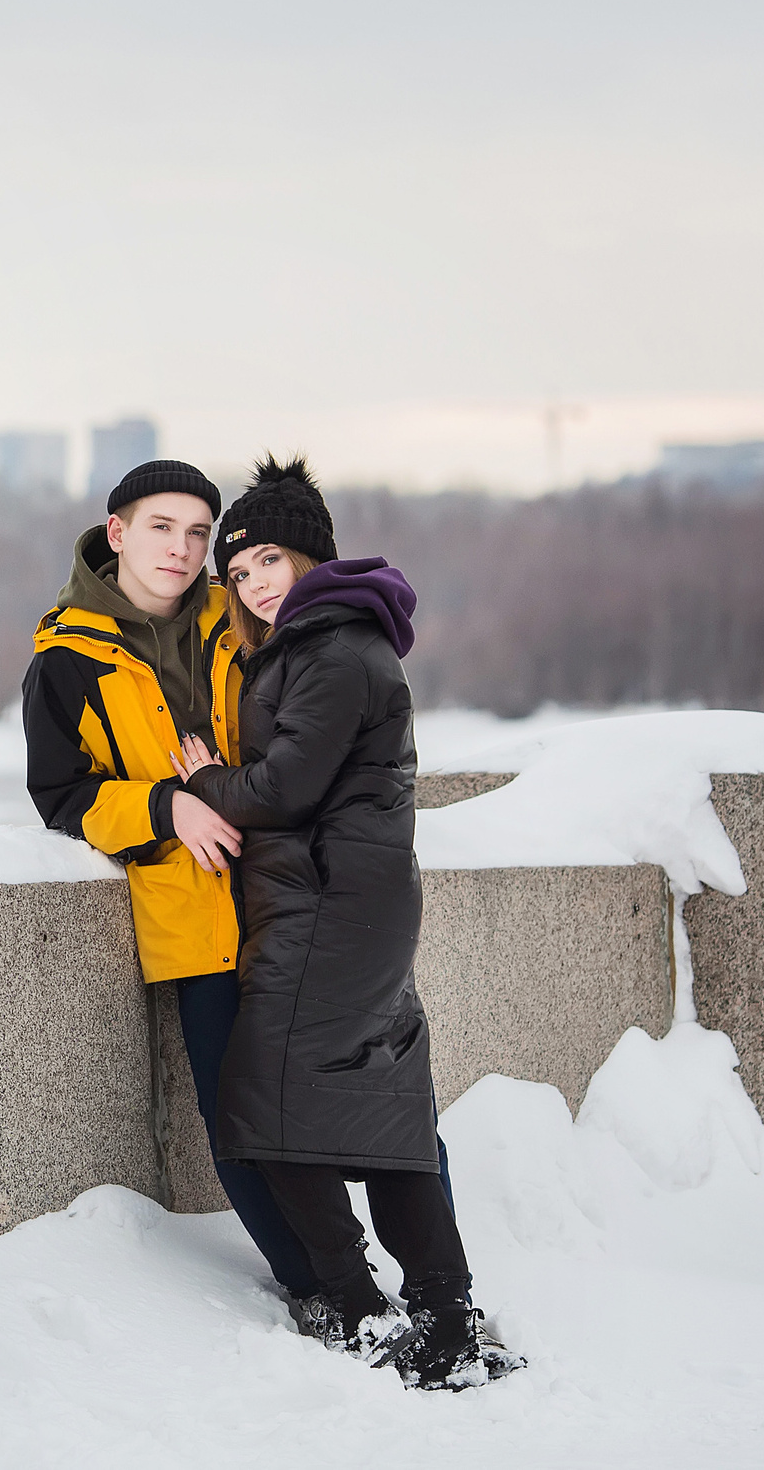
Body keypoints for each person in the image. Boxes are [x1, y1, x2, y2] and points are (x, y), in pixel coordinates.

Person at [174, 455, 523, 1390]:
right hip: (354, 903)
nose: (254, 584)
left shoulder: (328, 649)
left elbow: (286, 787)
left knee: (259, 1103)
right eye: (238, 572)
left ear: (310, 557)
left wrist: (203, 782)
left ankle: (360, 1307)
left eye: (268, 561)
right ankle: (444, 1313)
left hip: (327, 908)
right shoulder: (333, 640)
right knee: (385, 1111)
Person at [21, 459, 325, 1308]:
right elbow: (62, 797)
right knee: (239, 1121)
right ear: (117, 532)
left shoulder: (244, 616)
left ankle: (421, 1282)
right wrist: (169, 805)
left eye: (198, 532)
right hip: (189, 921)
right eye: (161, 527)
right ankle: (319, 1289)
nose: (182, 549)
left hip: (290, 895)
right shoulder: (65, 660)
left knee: (353, 1094)